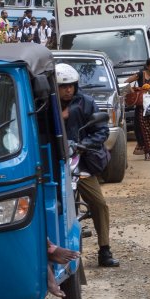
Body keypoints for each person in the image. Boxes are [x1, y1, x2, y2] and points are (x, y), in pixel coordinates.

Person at [56, 64, 120, 267]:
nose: (67, 90)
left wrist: (83, 145)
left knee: (99, 204)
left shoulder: (87, 103)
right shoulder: (46, 106)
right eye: (63, 86)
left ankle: (104, 250)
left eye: (71, 86)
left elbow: (102, 131)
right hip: (54, 165)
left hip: (80, 164)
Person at [125, 58, 150, 161]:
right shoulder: (140, 74)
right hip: (141, 107)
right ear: (147, 66)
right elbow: (126, 82)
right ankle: (148, 151)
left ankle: (149, 148)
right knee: (144, 130)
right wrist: (134, 92)